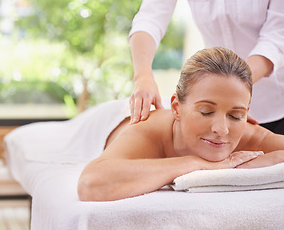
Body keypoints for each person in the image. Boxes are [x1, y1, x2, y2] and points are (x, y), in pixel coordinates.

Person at [77, 47, 284, 202]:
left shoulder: (248, 135)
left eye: (236, 115)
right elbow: (90, 184)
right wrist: (197, 164)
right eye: (206, 112)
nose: (221, 129)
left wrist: (265, 160)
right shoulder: (147, 129)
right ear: (176, 108)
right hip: (97, 123)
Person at [128, 0, 284, 135]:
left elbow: (276, 39)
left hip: (277, 104)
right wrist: (143, 75)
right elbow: (149, 18)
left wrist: (228, 92)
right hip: (217, 104)